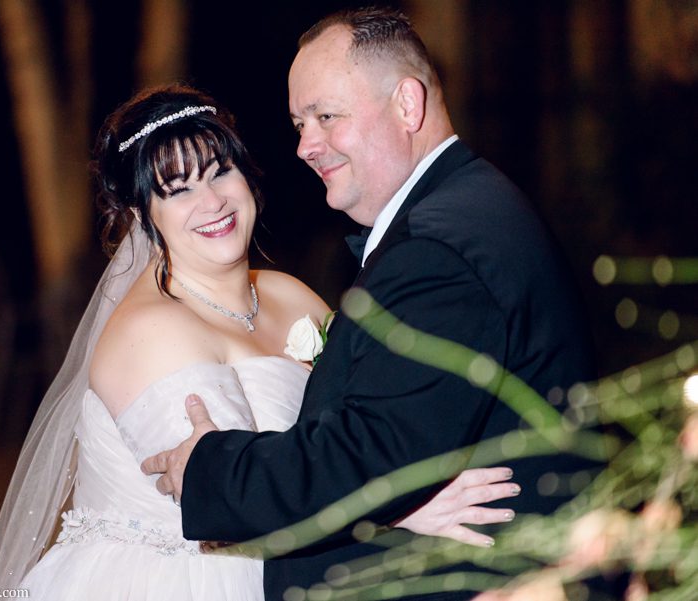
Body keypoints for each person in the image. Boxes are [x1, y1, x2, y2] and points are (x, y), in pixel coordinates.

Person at [0, 84, 521, 599]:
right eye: (179, 189)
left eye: (221, 172)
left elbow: (358, 425)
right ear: (143, 215)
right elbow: (237, 500)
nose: (212, 201)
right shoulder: (151, 332)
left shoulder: (290, 296)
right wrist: (403, 508)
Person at [142, 7, 597, 601]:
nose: (306, 145)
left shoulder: (439, 248)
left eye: (326, 116)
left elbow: (366, 453)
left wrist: (212, 469)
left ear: (408, 105)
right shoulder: (475, 203)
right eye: (299, 123)